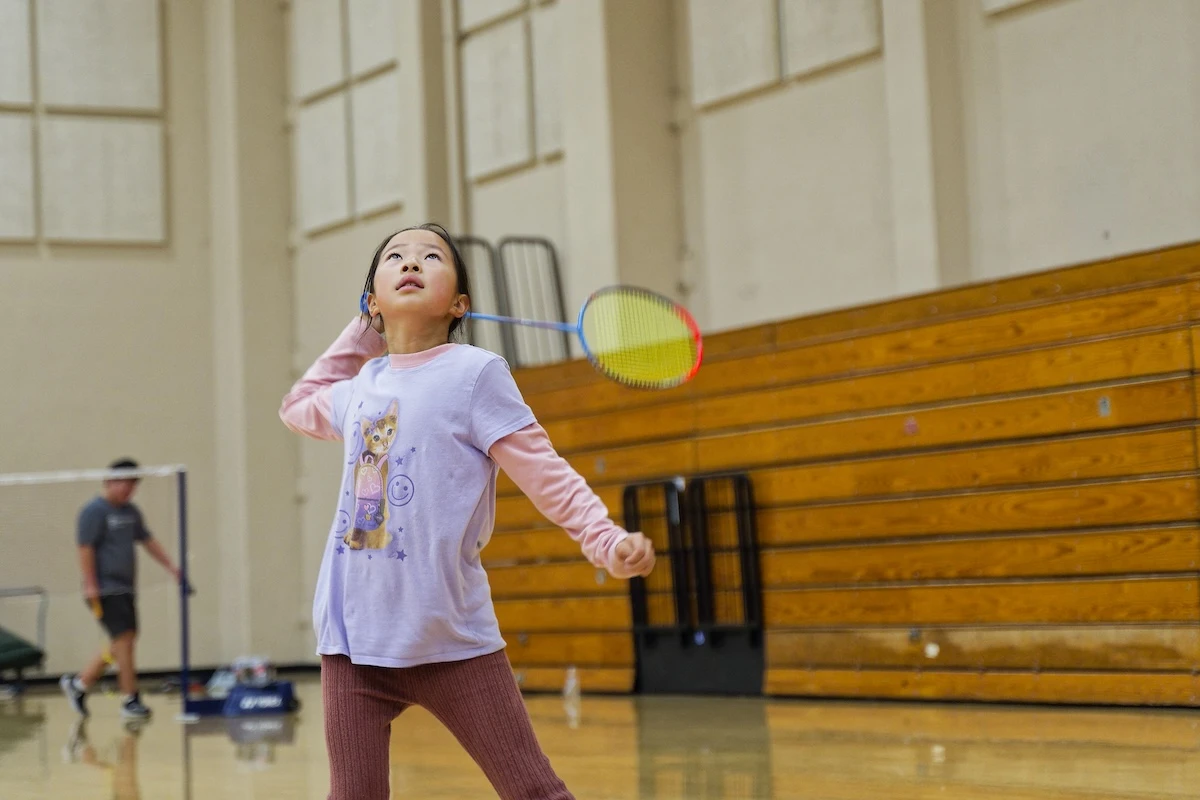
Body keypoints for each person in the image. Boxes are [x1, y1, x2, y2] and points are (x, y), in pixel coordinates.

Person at [279, 223, 656, 800]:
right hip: (352, 643)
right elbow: (297, 406)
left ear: (459, 303)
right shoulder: (360, 387)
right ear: (372, 299)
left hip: (448, 636)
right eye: (394, 258)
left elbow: (544, 471)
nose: (411, 262)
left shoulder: (474, 374)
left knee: (534, 791)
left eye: (430, 257)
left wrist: (604, 538)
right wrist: (362, 330)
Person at [60, 458, 183, 721]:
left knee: (122, 642)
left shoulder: (131, 512)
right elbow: (85, 548)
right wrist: (91, 583)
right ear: (108, 481)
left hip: (126, 586)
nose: (127, 488)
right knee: (125, 640)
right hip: (105, 588)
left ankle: (79, 685)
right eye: (122, 482)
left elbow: (147, 540)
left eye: (132, 484)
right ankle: (130, 699)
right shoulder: (94, 511)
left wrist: (171, 566)